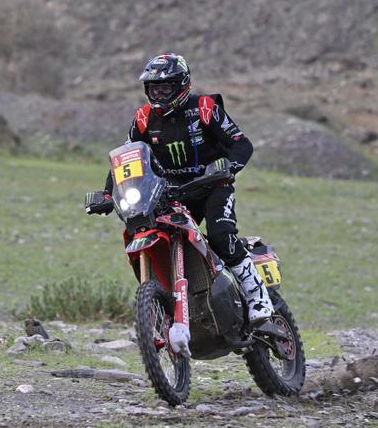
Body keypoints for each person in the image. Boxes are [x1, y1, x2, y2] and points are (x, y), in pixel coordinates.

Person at [102, 53, 274, 326]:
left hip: (213, 186)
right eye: (153, 88)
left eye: (165, 88)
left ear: (181, 85)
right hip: (172, 193)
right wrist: (108, 194)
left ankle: (257, 297)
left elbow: (242, 144)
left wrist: (230, 167)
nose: (158, 94)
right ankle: (179, 302)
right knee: (154, 229)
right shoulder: (143, 119)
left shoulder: (205, 108)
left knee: (220, 235)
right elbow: (127, 158)